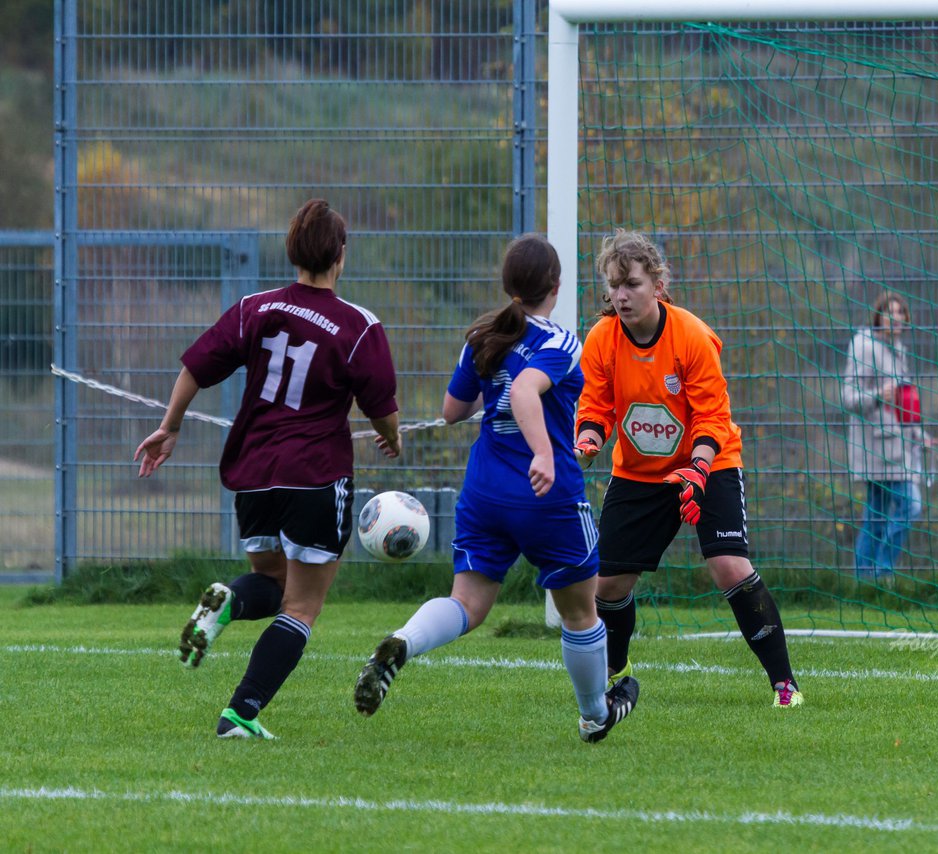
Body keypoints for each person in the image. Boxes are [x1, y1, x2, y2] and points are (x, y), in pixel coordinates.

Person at [352, 233, 639, 743]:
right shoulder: (560, 340)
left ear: (507, 286)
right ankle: (596, 714)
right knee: (580, 612)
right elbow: (528, 390)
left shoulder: (483, 335)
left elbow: (451, 412)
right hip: (545, 496)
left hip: (484, 492)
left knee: (467, 603)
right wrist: (545, 455)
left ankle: (402, 641)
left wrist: (495, 390)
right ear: (554, 286)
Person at [134, 198, 402, 739]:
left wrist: (171, 425)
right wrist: (390, 438)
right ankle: (241, 713)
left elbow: (196, 366)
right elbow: (382, 409)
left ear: (291, 251)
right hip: (314, 474)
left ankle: (229, 600)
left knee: (270, 583)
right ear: (341, 257)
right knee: (302, 605)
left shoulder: (254, 307)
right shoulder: (358, 326)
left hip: (252, 469)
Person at [574, 229, 803, 709]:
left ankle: (784, 684)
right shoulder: (600, 339)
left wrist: (698, 469)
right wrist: (590, 435)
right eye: (613, 285)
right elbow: (595, 404)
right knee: (608, 585)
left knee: (728, 566)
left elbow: (712, 416)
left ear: (657, 284)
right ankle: (617, 674)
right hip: (640, 472)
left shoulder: (693, 336)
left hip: (710, 462)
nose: (621, 295)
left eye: (631, 284)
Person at [841, 292, 934, 581]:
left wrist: (920, 434)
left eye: (900, 312)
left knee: (876, 517)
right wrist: (877, 396)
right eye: (889, 312)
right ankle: (882, 572)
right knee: (911, 505)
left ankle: (864, 582)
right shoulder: (864, 346)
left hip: (898, 446)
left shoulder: (898, 349)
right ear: (878, 316)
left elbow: (903, 404)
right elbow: (849, 397)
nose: (896, 317)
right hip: (876, 448)